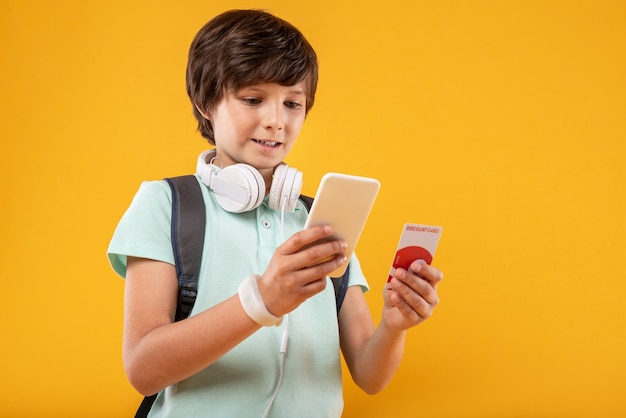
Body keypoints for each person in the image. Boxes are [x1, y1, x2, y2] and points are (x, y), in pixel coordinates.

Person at [107, 9, 443, 418]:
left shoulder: (318, 219)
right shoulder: (167, 204)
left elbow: (370, 376)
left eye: (292, 103)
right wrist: (261, 301)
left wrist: (394, 324)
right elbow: (143, 369)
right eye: (252, 99)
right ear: (205, 102)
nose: (275, 121)